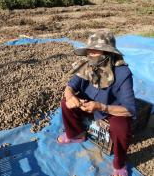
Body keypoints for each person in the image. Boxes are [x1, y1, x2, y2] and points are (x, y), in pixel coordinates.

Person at [57, 31, 135, 176]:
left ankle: (120, 163)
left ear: (108, 52)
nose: (91, 54)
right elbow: (69, 87)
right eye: (89, 50)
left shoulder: (123, 73)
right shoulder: (86, 66)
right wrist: (70, 97)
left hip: (111, 108)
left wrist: (101, 107)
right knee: (65, 103)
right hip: (89, 104)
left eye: (95, 50)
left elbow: (130, 109)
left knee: (121, 126)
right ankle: (76, 134)